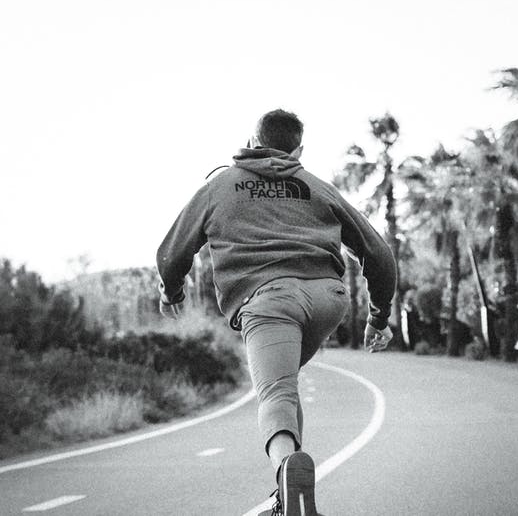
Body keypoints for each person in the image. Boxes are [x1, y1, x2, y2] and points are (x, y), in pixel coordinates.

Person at [156, 109, 396, 516]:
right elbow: (379, 254)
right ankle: (290, 494)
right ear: (298, 149)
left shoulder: (221, 186)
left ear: (252, 141)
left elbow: (173, 249)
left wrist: (171, 291)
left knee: (275, 393)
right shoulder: (318, 187)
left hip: (269, 301)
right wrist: (378, 316)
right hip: (328, 298)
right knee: (285, 384)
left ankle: (288, 470)